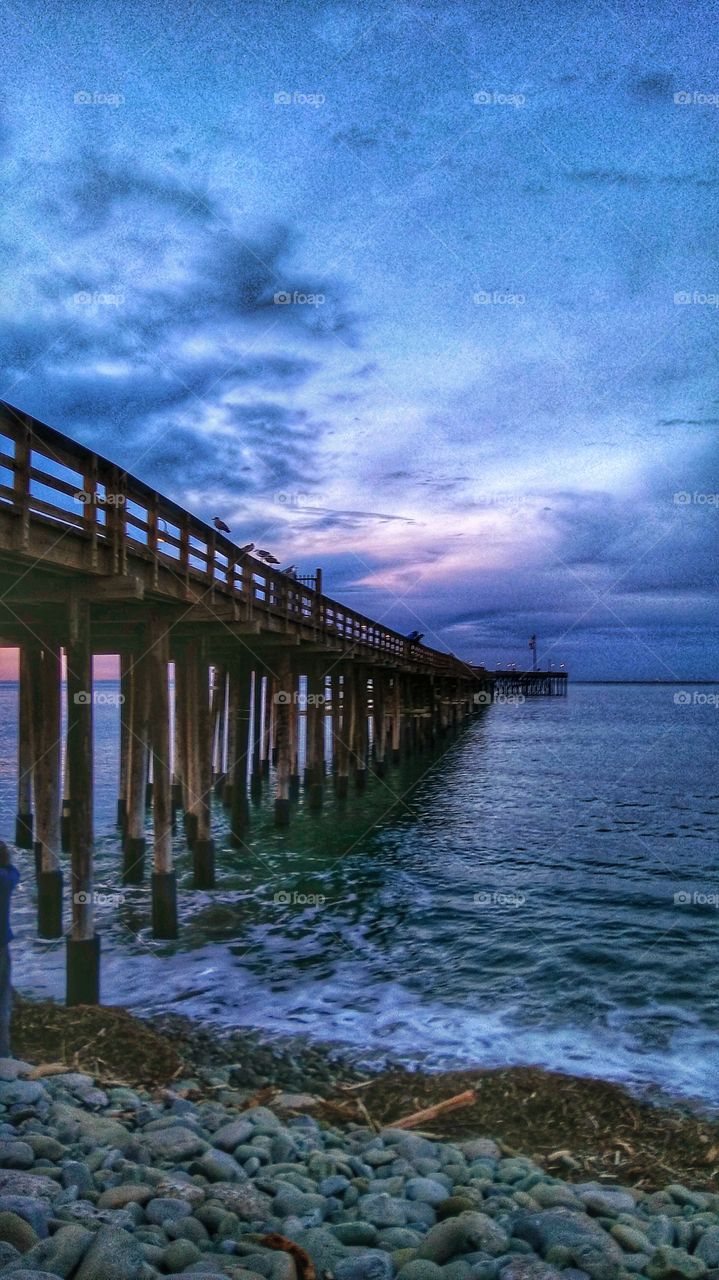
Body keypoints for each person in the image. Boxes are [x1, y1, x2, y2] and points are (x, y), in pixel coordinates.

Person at [0, 842, 20, 1058]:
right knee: (2, 1000)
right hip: (0, 946)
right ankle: (3, 1053)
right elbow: (14, 872)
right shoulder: (6, 880)